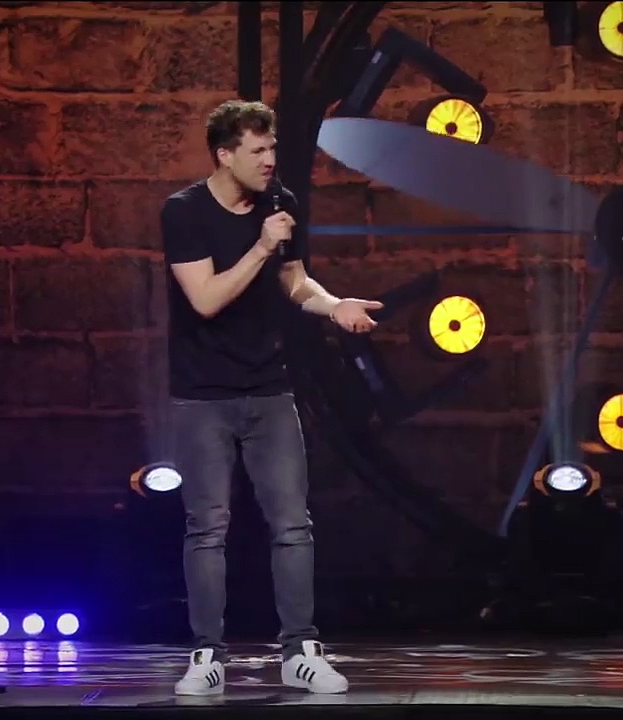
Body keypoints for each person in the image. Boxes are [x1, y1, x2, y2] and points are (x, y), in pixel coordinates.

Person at [160, 99, 382, 696]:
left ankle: (300, 651)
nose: (269, 160)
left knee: (292, 525)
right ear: (224, 155)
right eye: (257, 150)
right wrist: (259, 247)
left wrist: (333, 306)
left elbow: (293, 279)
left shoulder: (281, 203)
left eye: (272, 148)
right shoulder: (184, 212)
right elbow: (205, 299)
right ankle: (207, 655)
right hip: (203, 395)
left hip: (270, 388)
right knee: (208, 527)